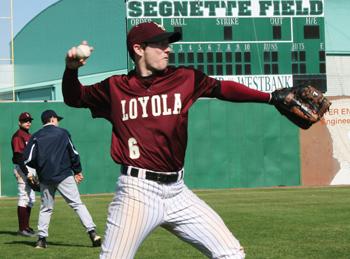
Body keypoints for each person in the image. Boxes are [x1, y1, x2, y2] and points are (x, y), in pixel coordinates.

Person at [62, 22, 274, 259]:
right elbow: (75, 98)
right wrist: (71, 70)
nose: (168, 49)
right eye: (160, 44)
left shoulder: (184, 78)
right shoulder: (116, 87)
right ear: (139, 49)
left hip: (178, 192)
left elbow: (222, 89)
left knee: (231, 253)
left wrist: (270, 97)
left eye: (168, 43)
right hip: (137, 192)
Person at [23, 109, 101, 249]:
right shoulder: (63, 133)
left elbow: (28, 159)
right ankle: (93, 233)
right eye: (57, 119)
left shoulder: (35, 136)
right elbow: (73, 153)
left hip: (46, 177)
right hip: (64, 175)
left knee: (46, 208)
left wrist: (40, 168)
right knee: (77, 204)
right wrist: (77, 171)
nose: (58, 121)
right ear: (52, 119)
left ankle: (41, 240)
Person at [11, 112, 37, 237]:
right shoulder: (18, 136)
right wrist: (27, 173)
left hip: (29, 168)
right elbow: (18, 156)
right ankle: (22, 229)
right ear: (19, 122)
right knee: (24, 197)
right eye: (25, 120)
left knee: (31, 198)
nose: (28, 122)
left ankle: (26, 227)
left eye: (29, 120)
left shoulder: (29, 135)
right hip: (22, 168)